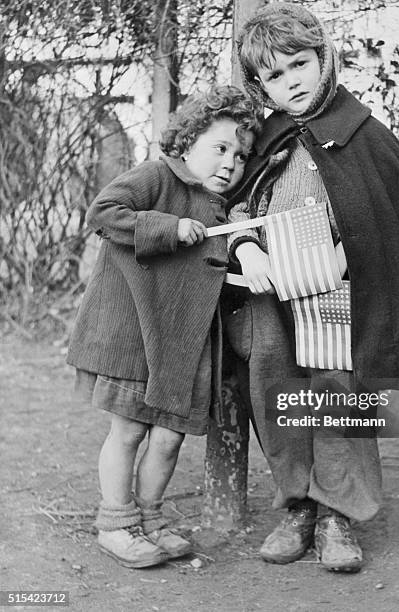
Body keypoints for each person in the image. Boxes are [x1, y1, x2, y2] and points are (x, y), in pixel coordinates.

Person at [225, 3, 399, 573]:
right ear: (262, 86)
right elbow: (233, 206)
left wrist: (343, 252)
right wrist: (245, 246)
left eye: (299, 64)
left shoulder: (364, 135)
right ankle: (297, 504)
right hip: (271, 295)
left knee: (334, 394)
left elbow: (385, 216)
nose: (291, 82)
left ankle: (337, 513)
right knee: (277, 390)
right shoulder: (266, 140)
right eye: (274, 76)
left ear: (324, 57)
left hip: (338, 296)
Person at [67, 85, 261, 568]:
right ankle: (115, 522)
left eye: (240, 156)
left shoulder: (224, 209)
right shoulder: (157, 176)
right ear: (187, 141)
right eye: (220, 147)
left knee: (170, 440)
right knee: (128, 432)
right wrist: (167, 227)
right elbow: (104, 212)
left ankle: (150, 517)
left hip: (182, 348)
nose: (229, 163)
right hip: (134, 334)